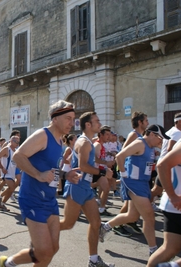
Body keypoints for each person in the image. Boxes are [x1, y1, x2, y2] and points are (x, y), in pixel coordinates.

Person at [0, 100, 80, 267]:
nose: (72, 123)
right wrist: (38, 174)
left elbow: (50, 168)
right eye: (68, 118)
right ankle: (9, 263)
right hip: (33, 199)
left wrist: (66, 174)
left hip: (49, 200)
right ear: (55, 118)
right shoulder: (43, 135)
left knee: (53, 248)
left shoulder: (60, 141)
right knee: (44, 251)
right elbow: (18, 156)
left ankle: (8, 263)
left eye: (73, 118)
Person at [100, 124, 170, 257]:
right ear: (151, 134)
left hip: (143, 183)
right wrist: (124, 174)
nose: (161, 141)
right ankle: (153, 251)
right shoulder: (140, 143)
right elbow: (120, 156)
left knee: (132, 215)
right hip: (134, 183)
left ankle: (104, 227)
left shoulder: (150, 147)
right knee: (149, 216)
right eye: (160, 138)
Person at [60, 111, 115, 267]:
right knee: (67, 224)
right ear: (88, 125)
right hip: (77, 187)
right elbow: (84, 165)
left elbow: (75, 160)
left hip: (85, 187)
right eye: (96, 121)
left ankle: (93, 260)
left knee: (96, 222)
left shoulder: (87, 142)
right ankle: (41, 232)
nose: (99, 123)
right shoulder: (84, 142)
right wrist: (104, 171)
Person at [147, 136, 181, 267]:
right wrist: (172, 195)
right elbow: (162, 165)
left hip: (175, 207)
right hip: (178, 205)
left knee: (170, 249)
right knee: (169, 249)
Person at [112, 111, 149, 237]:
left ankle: (130, 221)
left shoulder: (141, 135)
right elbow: (123, 153)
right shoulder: (134, 135)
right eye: (146, 120)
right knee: (129, 203)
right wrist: (124, 172)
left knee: (130, 203)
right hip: (130, 173)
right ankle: (117, 225)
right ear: (140, 122)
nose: (148, 123)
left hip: (137, 173)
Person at [93, 125, 115, 217]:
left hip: (100, 170)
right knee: (87, 186)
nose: (109, 137)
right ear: (101, 135)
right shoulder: (97, 145)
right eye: (106, 134)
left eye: (109, 134)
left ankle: (101, 208)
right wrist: (106, 163)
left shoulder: (101, 145)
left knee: (106, 188)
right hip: (94, 171)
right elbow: (93, 159)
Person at [0, 135, 20, 211]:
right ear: (11, 141)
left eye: (18, 142)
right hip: (6, 172)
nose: (17, 143)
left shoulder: (15, 151)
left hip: (12, 173)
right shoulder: (6, 149)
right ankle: (0, 196)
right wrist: (2, 168)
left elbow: (15, 163)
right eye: (15, 141)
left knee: (11, 189)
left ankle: (2, 204)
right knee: (11, 187)